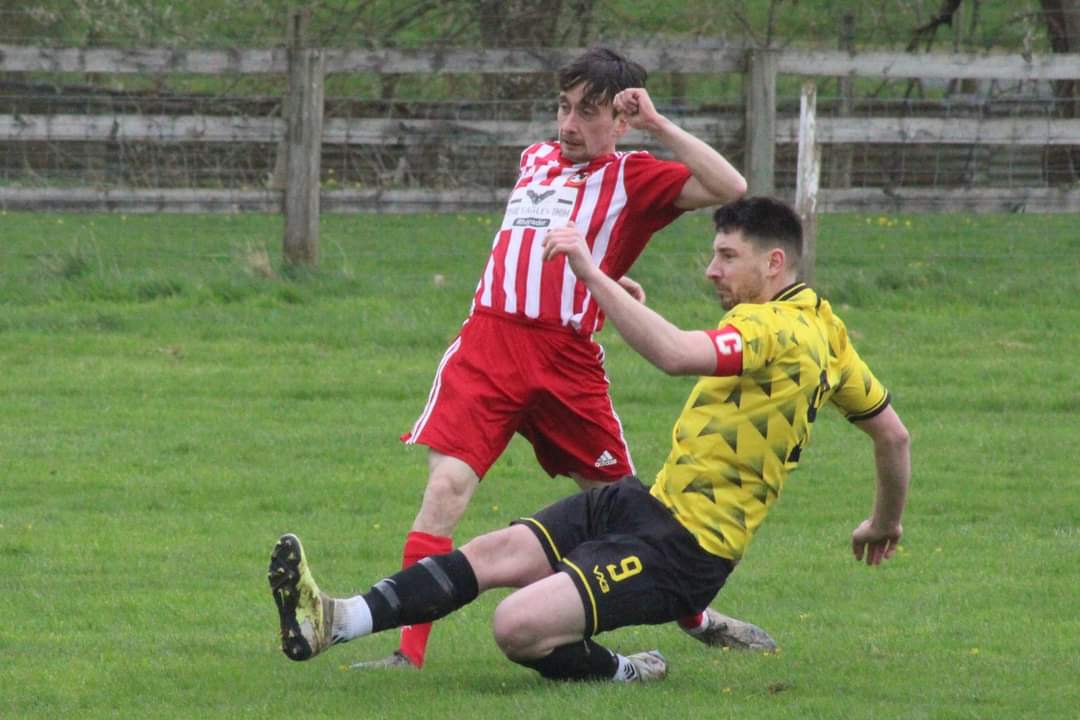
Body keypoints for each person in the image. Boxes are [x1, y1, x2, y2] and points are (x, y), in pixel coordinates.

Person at [269, 196, 912, 683]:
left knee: (515, 627)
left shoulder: (774, 328)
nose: (711, 269)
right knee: (494, 554)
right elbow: (893, 436)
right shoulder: (825, 331)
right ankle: (333, 620)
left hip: (688, 551)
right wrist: (883, 523)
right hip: (647, 505)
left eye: (727, 257)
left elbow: (674, 355)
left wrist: (589, 270)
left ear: (775, 263)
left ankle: (628, 672)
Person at [376, 46, 748, 668]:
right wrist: (609, 280)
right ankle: (407, 655)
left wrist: (659, 125)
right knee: (445, 488)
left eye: (588, 113)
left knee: (622, 506)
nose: (569, 124)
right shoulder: (535, 158)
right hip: (490, 345)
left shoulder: (635, 176)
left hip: (567, 362)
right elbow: (530, 247)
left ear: (622, 120)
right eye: (563, 106)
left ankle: (695, 616)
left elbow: (730, 186)